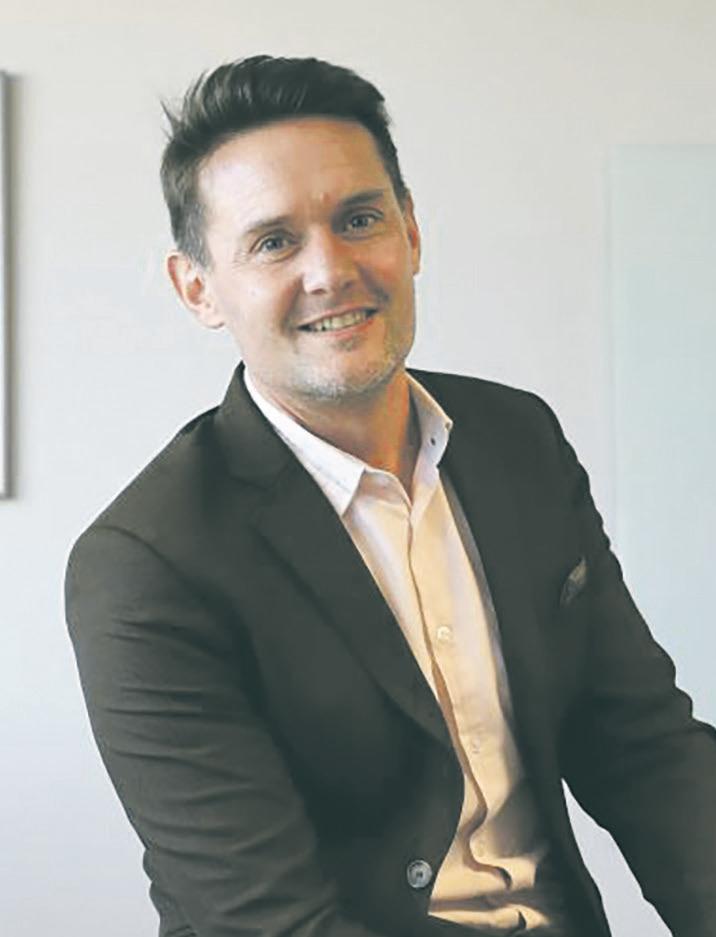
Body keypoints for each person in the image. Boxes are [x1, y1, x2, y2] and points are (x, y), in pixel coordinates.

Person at [65, 55, 716, 937]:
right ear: (198, 288)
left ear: (410, 231)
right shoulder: (146, 562)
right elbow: (269, 921)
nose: (330, 270)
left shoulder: (519, 440)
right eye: (273, 241)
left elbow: (645, 745)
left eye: (359, 219)